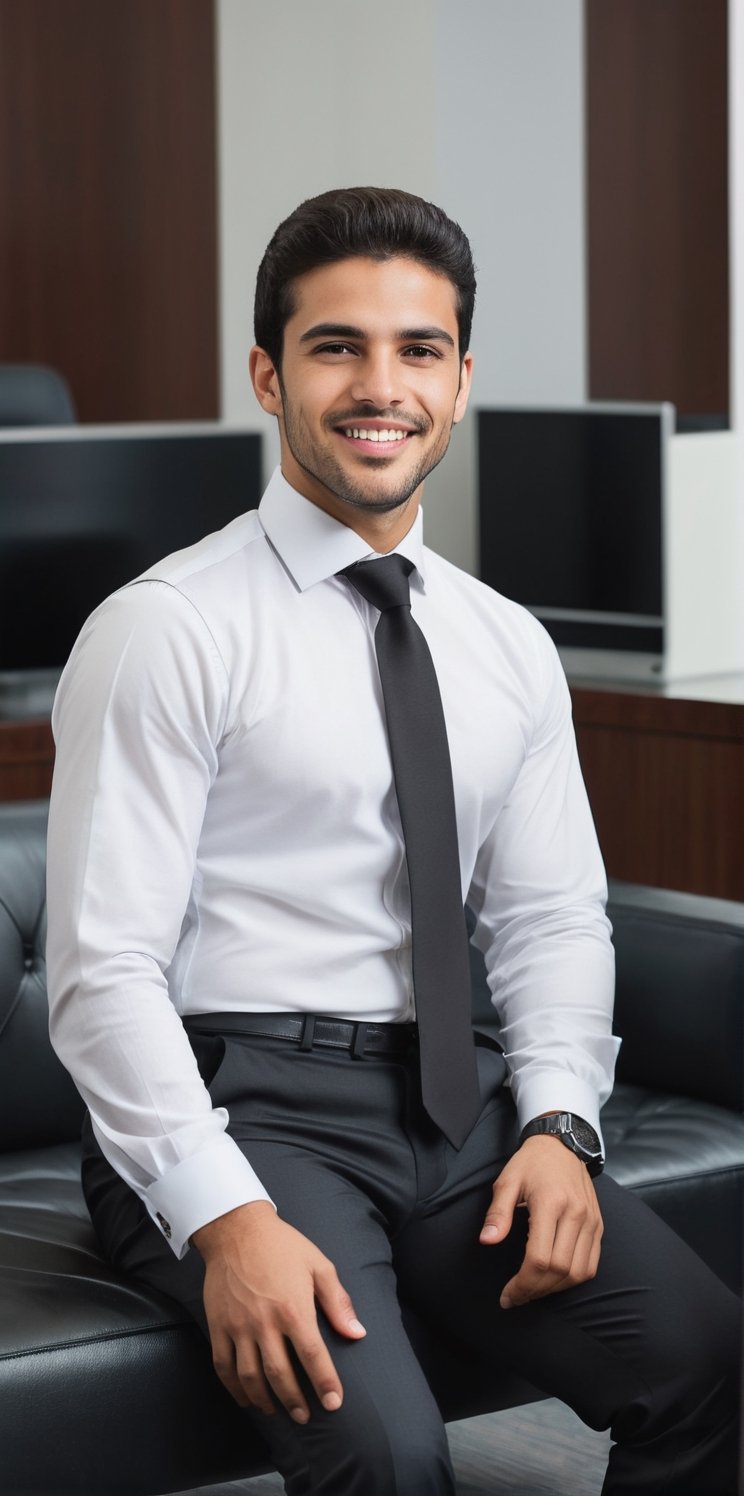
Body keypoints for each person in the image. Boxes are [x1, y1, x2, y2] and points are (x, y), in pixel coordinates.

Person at [46, 186, 739, 1494]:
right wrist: (225, 1220)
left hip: (451, 1103)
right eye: (335, 346)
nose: (382, 386)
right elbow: (101, 976)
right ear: (268, 372)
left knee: (709, 1363)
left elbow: (547, 921)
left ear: (462, 380)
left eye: (418, 349)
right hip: (239, 1110)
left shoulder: (505, 643)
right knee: (389, 1459)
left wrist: (559, 1127)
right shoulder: (166, 630)